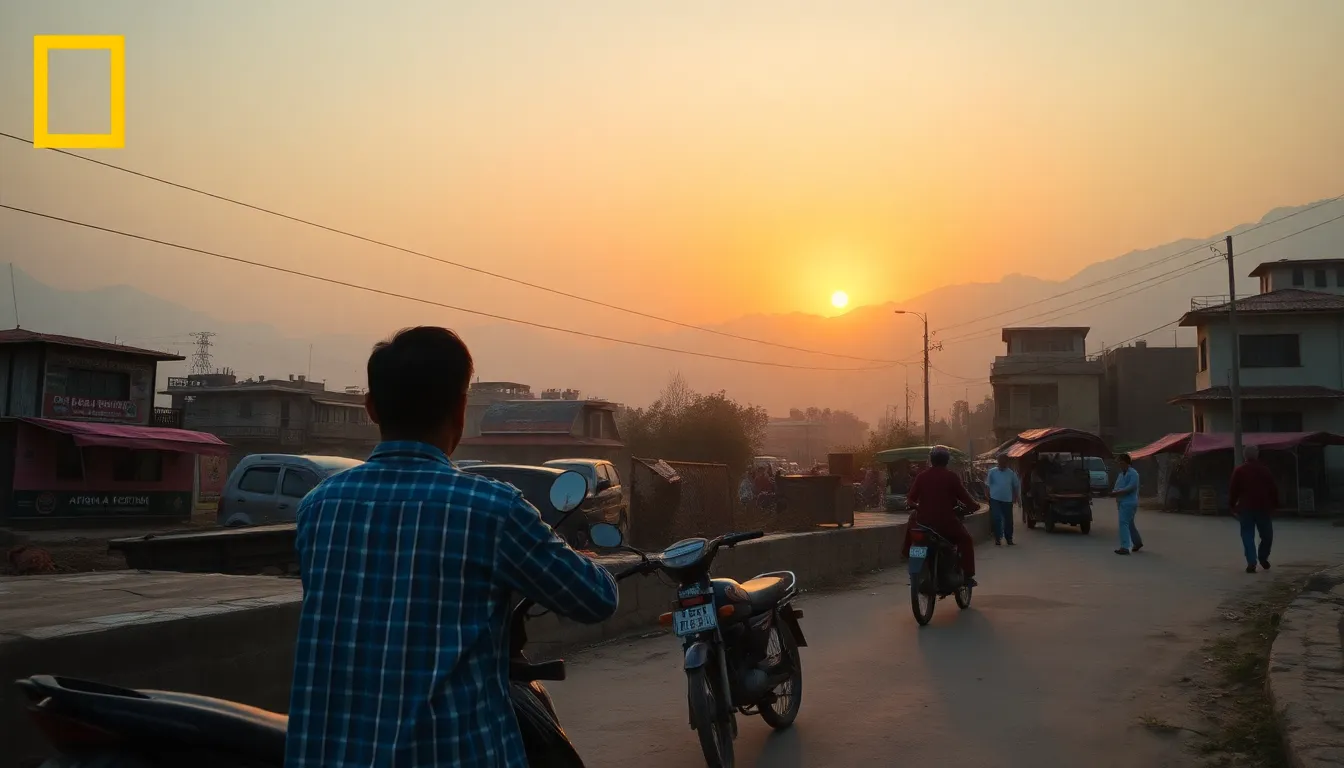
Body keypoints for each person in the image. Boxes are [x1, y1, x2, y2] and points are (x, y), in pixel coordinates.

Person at [285, 327, 620, 768]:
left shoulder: (318, 507)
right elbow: (597, 599)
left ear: (371, 408)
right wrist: (576, 559)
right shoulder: (490, 509)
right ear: (460, 410)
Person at [905, 445, 982, 586]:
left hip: (924, 523)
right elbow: (966, 498)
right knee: (966, 540)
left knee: (914, 537)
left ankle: (912, 568)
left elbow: (910, 499)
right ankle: (968, 576)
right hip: (946, 524)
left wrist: (916, 507)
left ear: (931, 460)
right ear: (947, 461)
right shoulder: (951, 477)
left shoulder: (921, 477)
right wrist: (974, 506)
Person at [1228, 444, 1278, 573]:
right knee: (1267, 536)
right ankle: (1263, 557)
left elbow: (1233, 491)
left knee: (1247, 535)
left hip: (1246, 508)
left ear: (1245, 456)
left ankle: (1251, 562)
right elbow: (1273, 489)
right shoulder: (1265, 470)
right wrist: (1275, 505)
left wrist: (1232, 506)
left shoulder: (1239, 471)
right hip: (1263, 507)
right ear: (1257, 455)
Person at [985, 454, 1021, 546]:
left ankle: (1009, 538)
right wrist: (987, 494)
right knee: (997, 518)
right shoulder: (992, 472)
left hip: (1007, 500)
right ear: (998, 462)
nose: (1002, 464)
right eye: (1000, 462)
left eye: (1004, 462)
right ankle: (998, 538)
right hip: (995, 499)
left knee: (1008, 520)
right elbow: (988, 484)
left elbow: (1015, 486)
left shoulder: (1011, 473)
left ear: (1007, 463)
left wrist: (1015, 496)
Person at [1111, 453, 1143, 555]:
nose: (1119, 465)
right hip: (1122, 502)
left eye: (1120, 462)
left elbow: (1131, 487)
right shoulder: (1121, 475)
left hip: (1129, 502)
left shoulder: (1134, 474)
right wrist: (1114, 492)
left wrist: (1118, 492)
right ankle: (1137, 543)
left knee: (1123, 523)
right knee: (1129, 524)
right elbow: (1117, 486)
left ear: (1125, 463)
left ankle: (1125, 547)